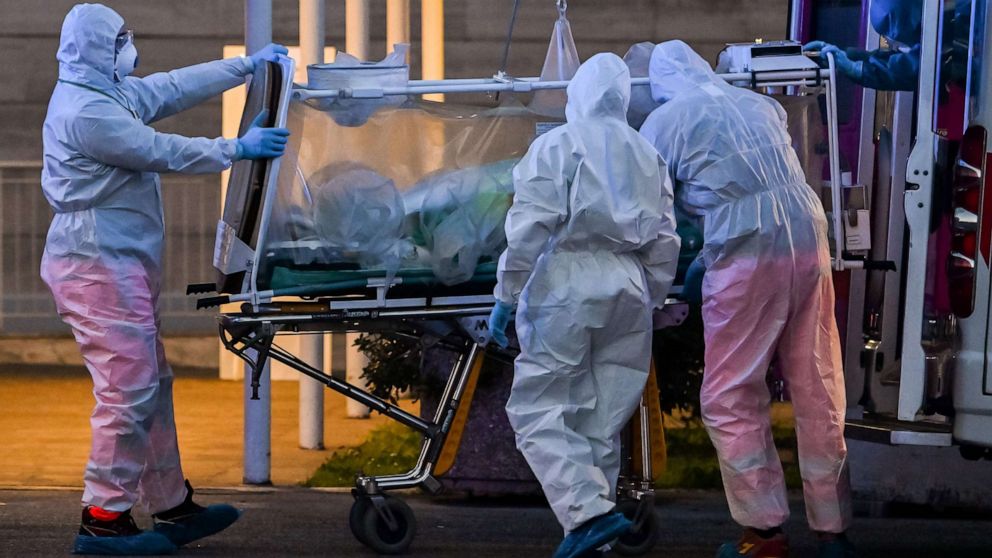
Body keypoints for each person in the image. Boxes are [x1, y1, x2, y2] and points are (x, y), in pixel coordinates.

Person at [41, 3, 290, 555]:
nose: (132, 47)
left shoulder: (108, 94)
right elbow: (158, 151)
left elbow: (169, 88)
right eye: (121, 38)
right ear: (98, 48)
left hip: (114, 264)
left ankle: (170, 503)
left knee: (151, 385)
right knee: (127, 390)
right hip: (96, 266)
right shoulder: (88, 112)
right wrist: (236, 149)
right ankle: (103, 519)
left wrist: (244, 67)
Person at [639, 41, 854, 558]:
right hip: (808, 239)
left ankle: (764, 535)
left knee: (731, 395)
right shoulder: (759, 104)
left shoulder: (664, 124)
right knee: (818, 387)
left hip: (745, 251)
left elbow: (653, 209)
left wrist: (682, 260)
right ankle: (834, 533)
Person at [488, 53, 680, 558]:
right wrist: (653, 297)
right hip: (630, 285)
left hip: (566, 282)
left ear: (578, 94)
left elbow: (530, 226)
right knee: (602, 419)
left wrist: (505, 296)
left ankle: (588, 517)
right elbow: (665, 239)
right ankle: (598, 540)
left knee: (540, 409)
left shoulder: (557, 145)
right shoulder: (646, 152)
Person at [804, 0, 923, 91]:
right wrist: (845, 57)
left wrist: (855, 69)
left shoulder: (938, 43)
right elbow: (890, 57)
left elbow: (910, 70)